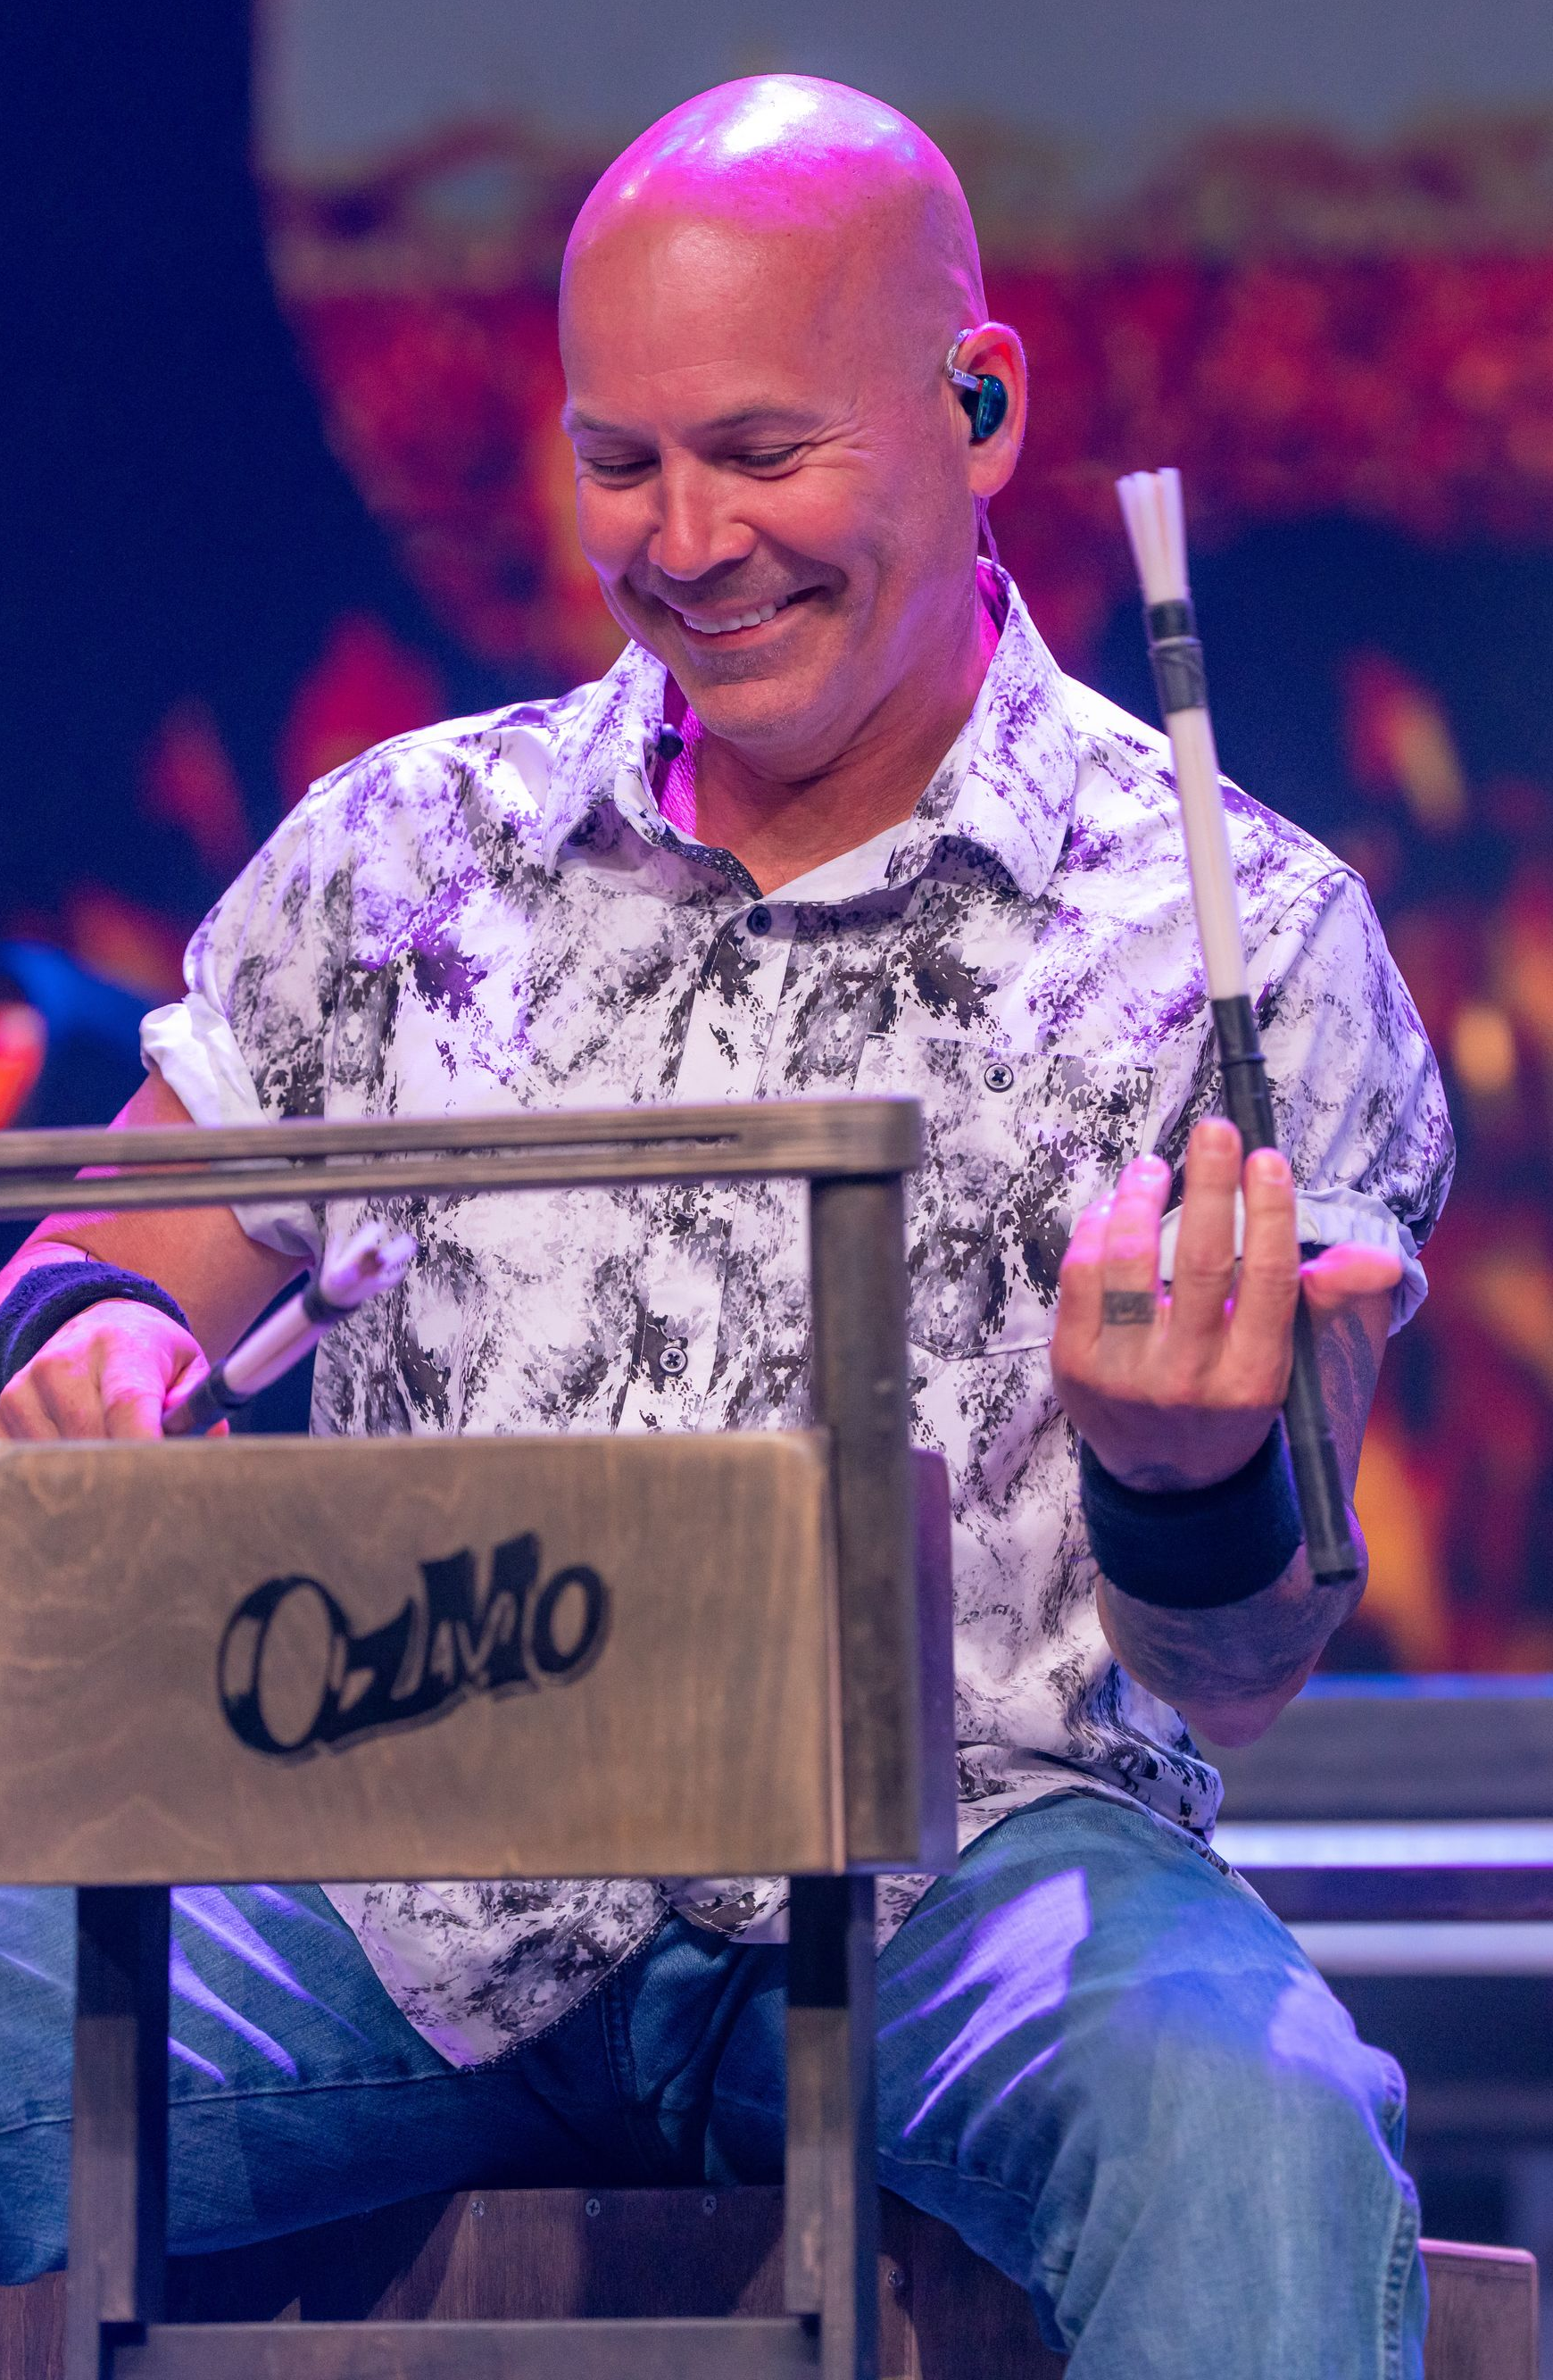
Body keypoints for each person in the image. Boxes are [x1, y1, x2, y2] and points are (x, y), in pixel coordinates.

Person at [0, 75, 1451, 2378]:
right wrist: (91, 1346)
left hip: (967, 1877)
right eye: (620, 463)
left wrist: (1181, 1480)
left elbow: (1248, 1664)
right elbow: (97, 1265)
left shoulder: (1234, 939)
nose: (687, 544)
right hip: (397, 1857)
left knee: (1250, 2131)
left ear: (977, 410)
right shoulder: (404, 855)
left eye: (766, 457)